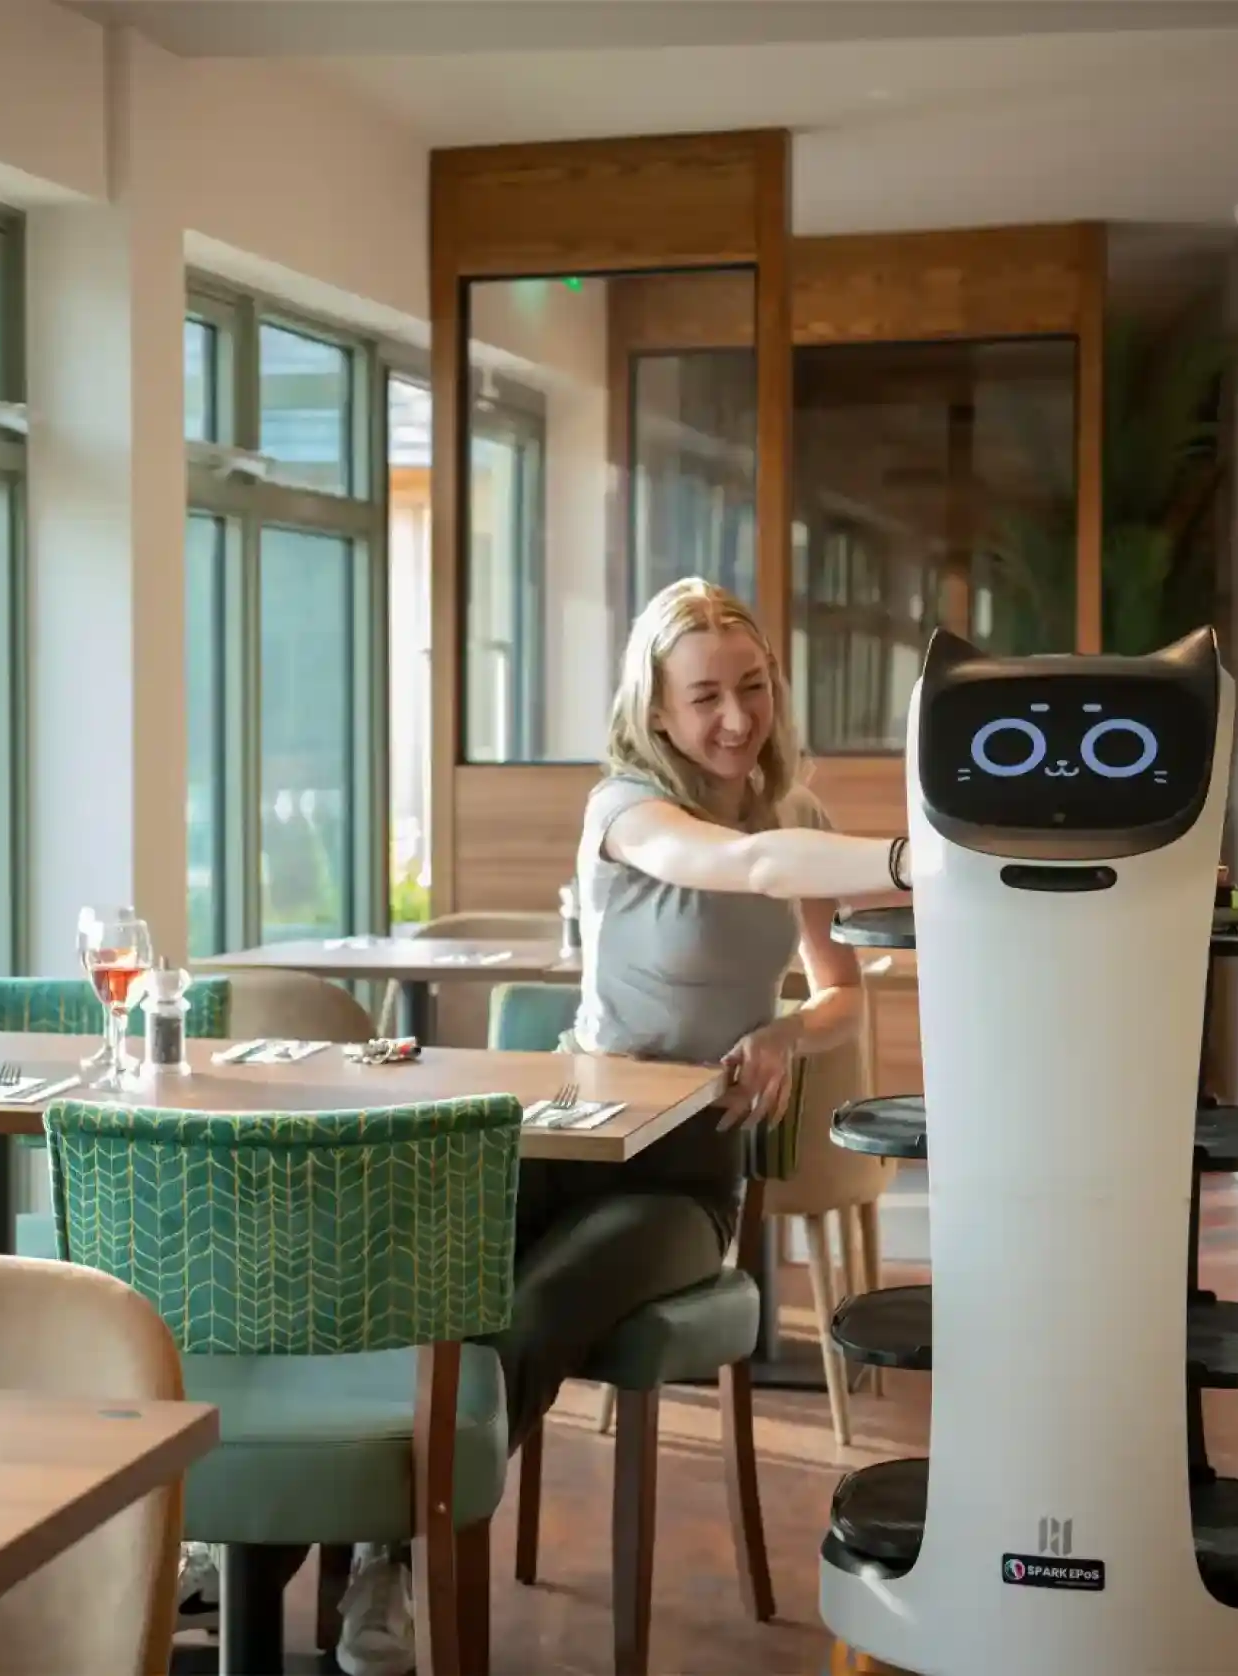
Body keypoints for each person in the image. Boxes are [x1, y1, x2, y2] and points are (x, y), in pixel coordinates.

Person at [332, 577, 913, 1675]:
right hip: (566, 1133)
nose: (734, 718)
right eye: (703, 697)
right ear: (654, 710)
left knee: (534, 1307)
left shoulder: (799, 822)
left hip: (685, 1174)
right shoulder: (620, 808)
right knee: (419, 1283)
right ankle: (317, 1535)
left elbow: (842, 986)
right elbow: (732, 864)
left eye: (751, 688)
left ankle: (391, 1551)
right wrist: (915, 853)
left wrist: (789, 1032)